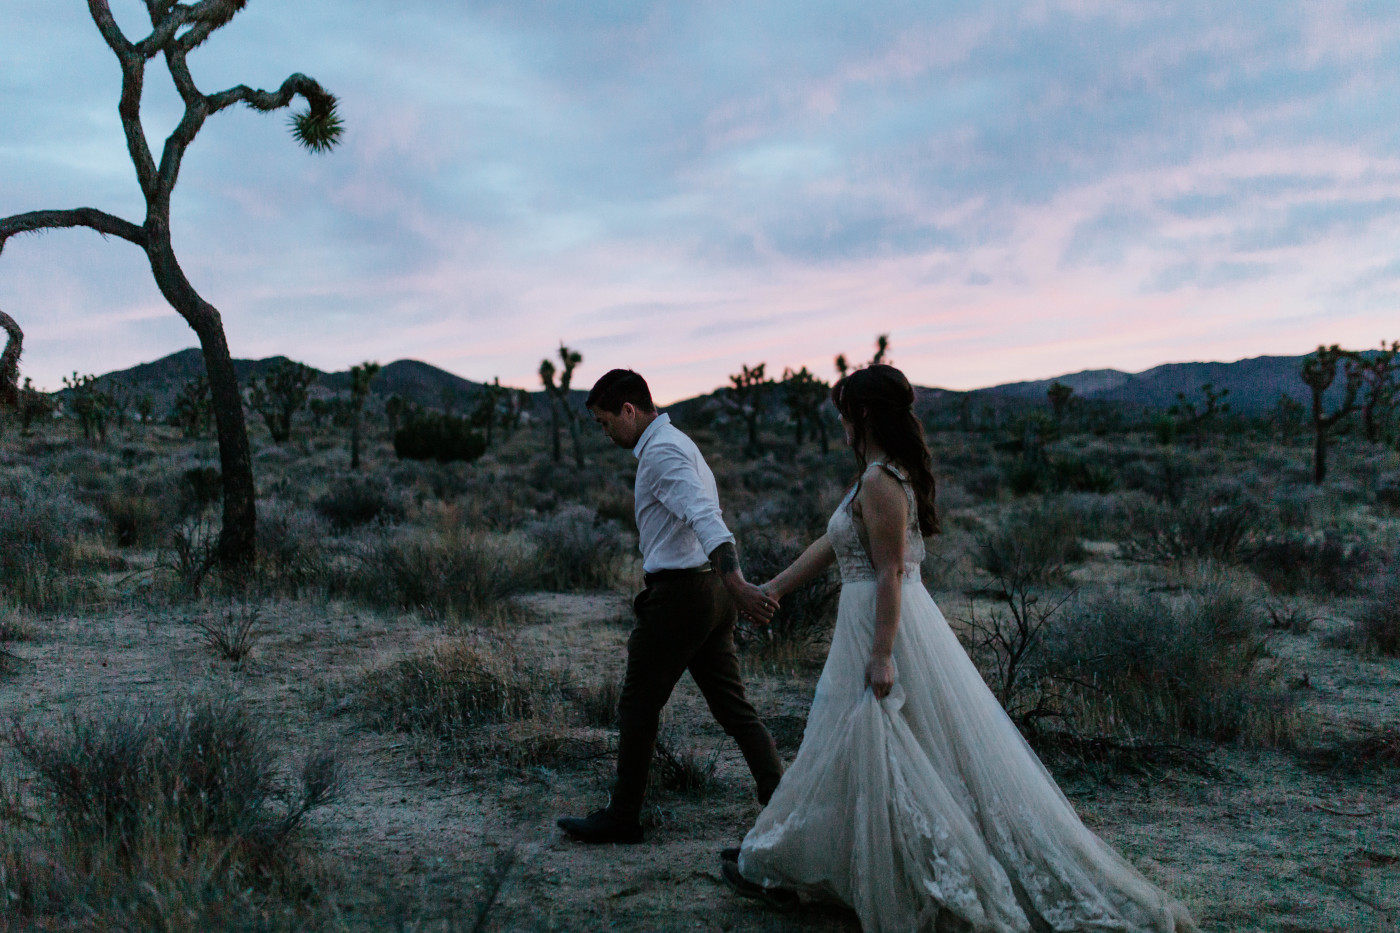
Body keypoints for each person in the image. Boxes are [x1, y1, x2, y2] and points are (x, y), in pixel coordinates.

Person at [721, 365, 1197, 933]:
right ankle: (810, 859)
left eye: (845, 410)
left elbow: (892, 571)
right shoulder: (872, 477)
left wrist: (881, 653)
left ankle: (818, 863)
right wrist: (775, 587)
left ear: (864, 413)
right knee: (858, 740)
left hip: (881, 622)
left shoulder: (879, 480)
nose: (840, 422)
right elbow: (834, 542)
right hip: (868, 618)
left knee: (878, 740)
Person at [556, 369, 785, 845]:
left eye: (604, 423)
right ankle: (782, 798)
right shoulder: (678, 442)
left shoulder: (661, 452)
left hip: (683, 596)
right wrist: (729, 589)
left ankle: (623, 816)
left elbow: (705, 516)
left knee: (638, 704)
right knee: (732, 707)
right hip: (708, 594)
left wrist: (738, 583)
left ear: (628, 410)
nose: (605, 434)